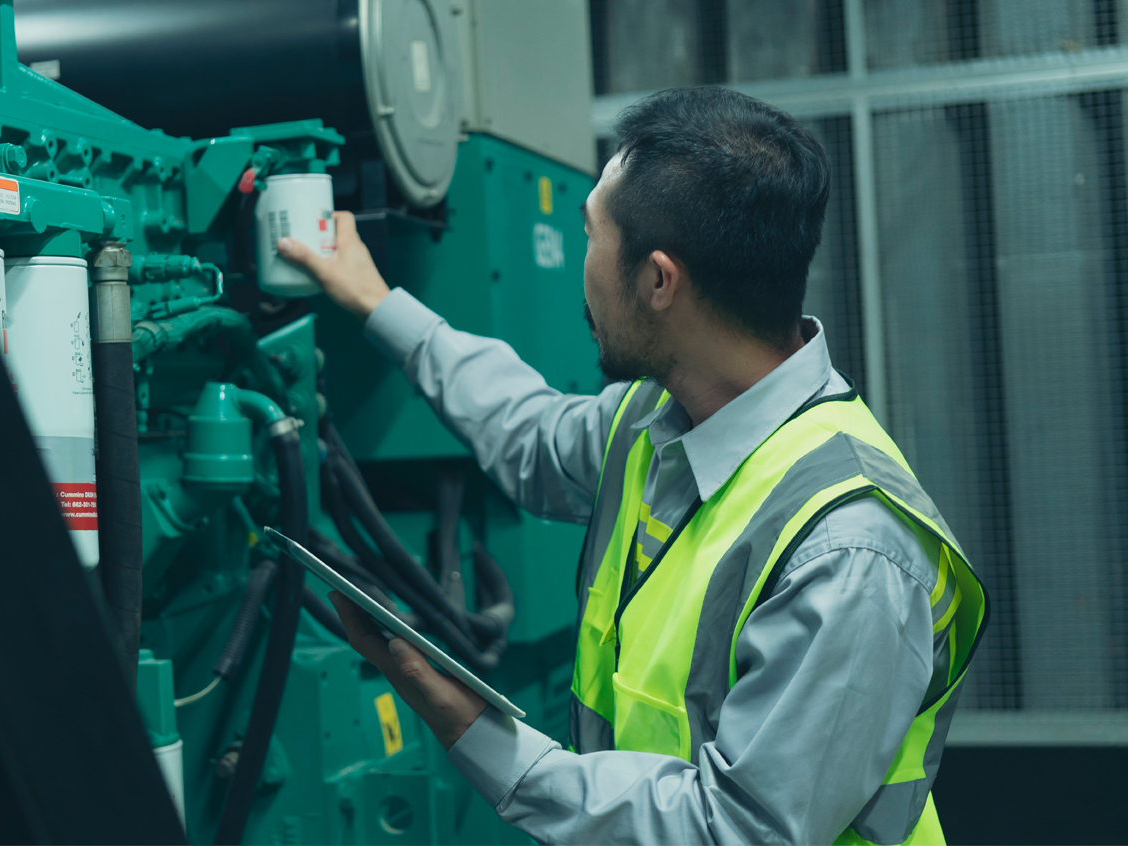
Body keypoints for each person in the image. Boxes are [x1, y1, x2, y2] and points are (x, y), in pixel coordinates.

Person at [276, 87, 985, 845]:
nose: (579, 270)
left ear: (657, 281)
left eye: (590, 236)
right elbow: (528, 432)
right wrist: (378, 303)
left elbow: (736, 829)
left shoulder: (850, 551)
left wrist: (466, 723)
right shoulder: (651, 421)